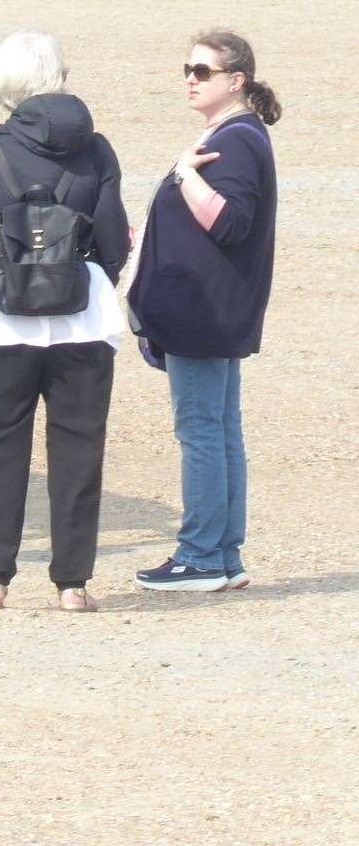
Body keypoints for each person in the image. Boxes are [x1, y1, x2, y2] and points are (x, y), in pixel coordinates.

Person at [0, 32, 131, 612]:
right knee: (78, 447)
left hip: (2, 321)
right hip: (82, 319)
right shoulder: (97, 150)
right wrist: (90, 282)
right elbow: (115, 238)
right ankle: (73, 583)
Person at [128, 30, 281, 594]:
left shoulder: (237, 140)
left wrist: (184, 174)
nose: (190, 79)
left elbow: (231, 222)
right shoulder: (238, 133)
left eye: (202, 71)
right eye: (186, 69)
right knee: (220, 432)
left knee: (201, 432)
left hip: (204, 314)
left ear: (235, 80)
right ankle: (224, 554)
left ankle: (200, 557)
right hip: (215, 311)